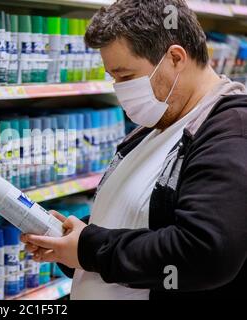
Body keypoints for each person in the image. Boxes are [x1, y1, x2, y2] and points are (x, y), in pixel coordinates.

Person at [21, 0, 247, 299]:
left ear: (176, 58)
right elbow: (137, 221)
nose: (119, 88)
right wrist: (72, 241)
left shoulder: (230, 131)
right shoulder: (156, 125)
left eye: (126, 76)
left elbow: (204, 253)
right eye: (113, 78)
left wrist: (90, 248)